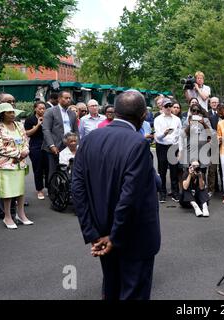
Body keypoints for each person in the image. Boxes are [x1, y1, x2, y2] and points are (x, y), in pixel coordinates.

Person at [71, 90, 160, 300]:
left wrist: (92, 232)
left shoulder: (90, 139)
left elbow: (77, 188)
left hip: (102, 233)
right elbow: (130, 197)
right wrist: (114, 235)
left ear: (116, 112)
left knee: (111, 290)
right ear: (143, 115)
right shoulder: (138, 144)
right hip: (132, 238)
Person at [0, 103, 33, 229]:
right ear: (2, 114)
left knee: (20, 190)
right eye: (9, 112)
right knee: (8, 191)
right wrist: (18, 153)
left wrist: (25, 151)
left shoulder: (19, 125)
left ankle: (21, 214)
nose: (12, 114)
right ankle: (7, 217)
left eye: (13, 112)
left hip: (20, 163)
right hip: (5, 164)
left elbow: (25, 141)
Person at [42, 91, 79, 184]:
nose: (68, 100)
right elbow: (46, 129)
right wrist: (51, 145)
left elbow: (76, 130)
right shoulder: (50, 111)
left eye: (69, 98)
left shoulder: (72, 113)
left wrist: (78, 144)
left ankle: (66, 191)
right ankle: (53, 193)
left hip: (69, 146)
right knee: (53, 170)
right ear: (59, 99)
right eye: (66, 98)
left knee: (69, 169)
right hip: (55, 146)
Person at [154, 97, 182, 203]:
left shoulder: (177, 119)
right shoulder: (158, 119)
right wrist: (164, 133)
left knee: (174, 170)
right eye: (166, 106)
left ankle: (175, 192)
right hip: (162, 146)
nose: (169, 108)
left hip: (173, 146)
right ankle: (162, 193)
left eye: (170, 106)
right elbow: (158, 137)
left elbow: (180, 136)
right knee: (162, 170)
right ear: (162, 107)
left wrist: (180, 150)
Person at [24, 101, 48, 200]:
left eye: (43, 108)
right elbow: (27, 133)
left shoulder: (48, 118)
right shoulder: (30, 119)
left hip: (47, 146)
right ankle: (39, 190)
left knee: (48, 168)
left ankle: (49, 188)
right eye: (40, 108)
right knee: (37, 169)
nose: (42, 110)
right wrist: (38, 125)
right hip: (35, 147)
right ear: (35, 109)